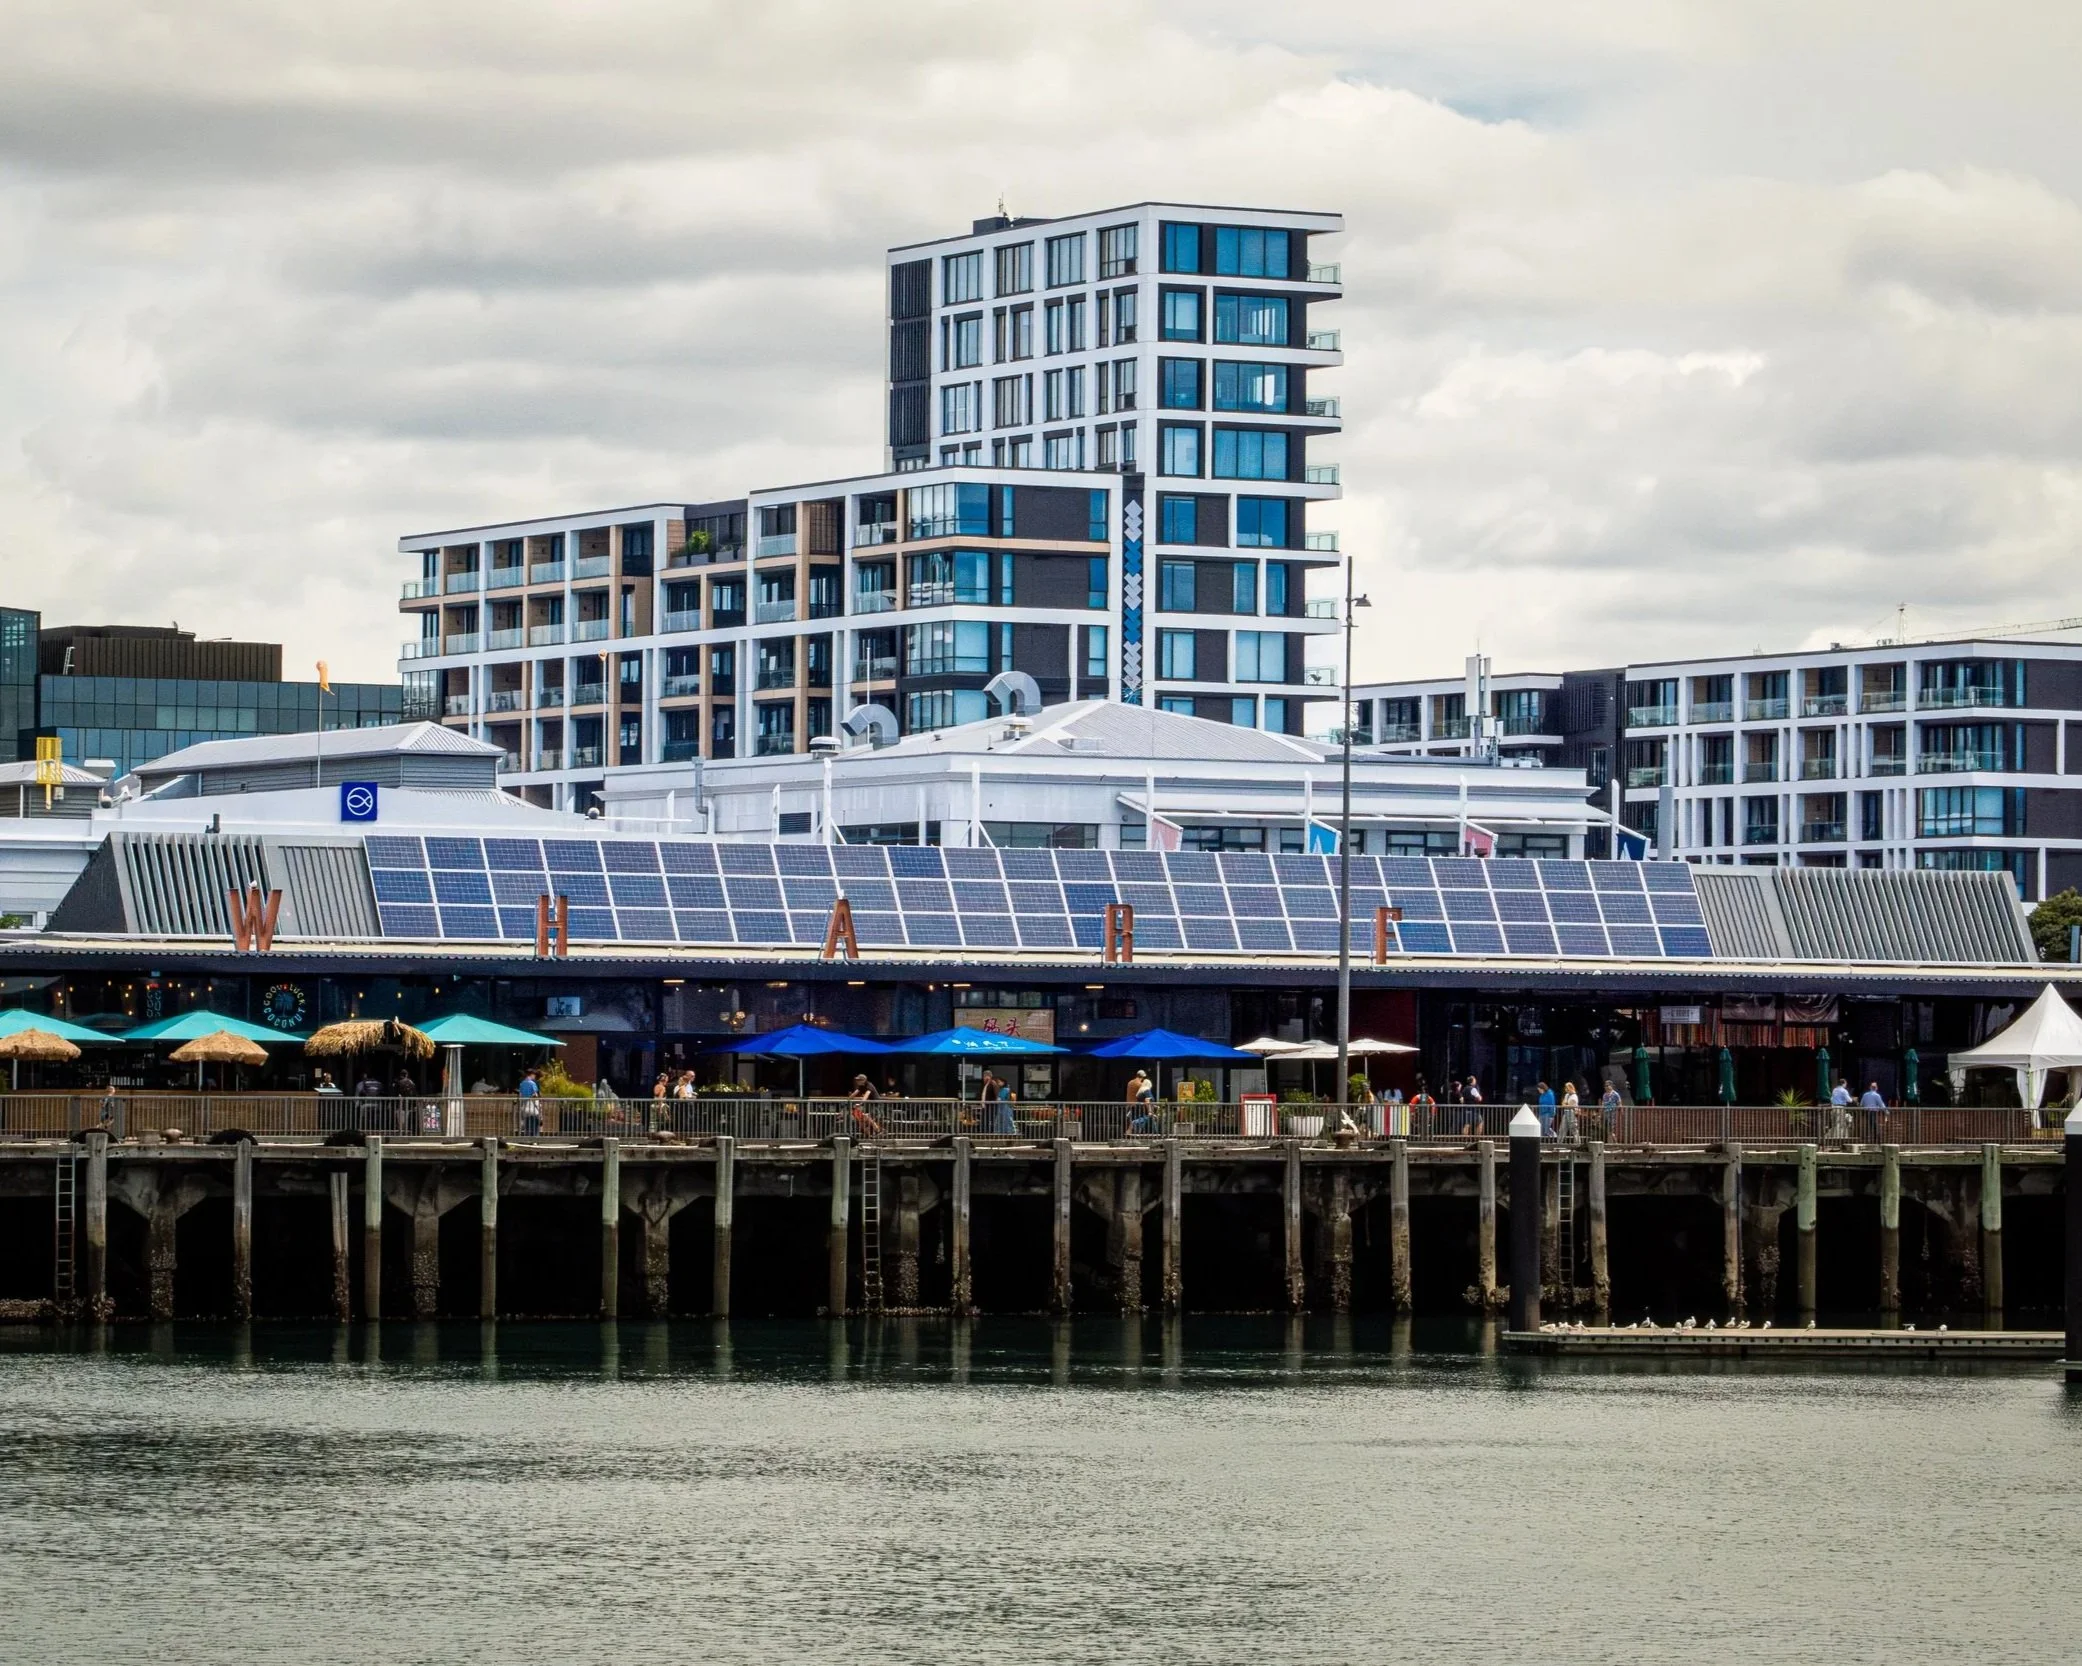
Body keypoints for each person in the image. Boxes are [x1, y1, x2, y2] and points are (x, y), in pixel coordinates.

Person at [1126, 1069, 1157, 1134]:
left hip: (1129, 1105)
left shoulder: (1129, 1083)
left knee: (1132, 1122)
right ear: (1142, 1077)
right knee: (1140, 1121)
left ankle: (1129, 1135)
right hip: (1138, 1106)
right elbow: (1145, 1098)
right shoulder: (1141, 1085)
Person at [516, 1067, 541, 1137]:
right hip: (532, 1106)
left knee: (527, 1124)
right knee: (535, 1123)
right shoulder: (532, 1083)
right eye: (534, 1075)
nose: (535, 1076)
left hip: (524, 1106)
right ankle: (535, 1139)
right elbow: (535, 1094)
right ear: (531, 1074)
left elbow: (520, 1094)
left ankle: (527, 1139)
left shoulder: (522, 1084)